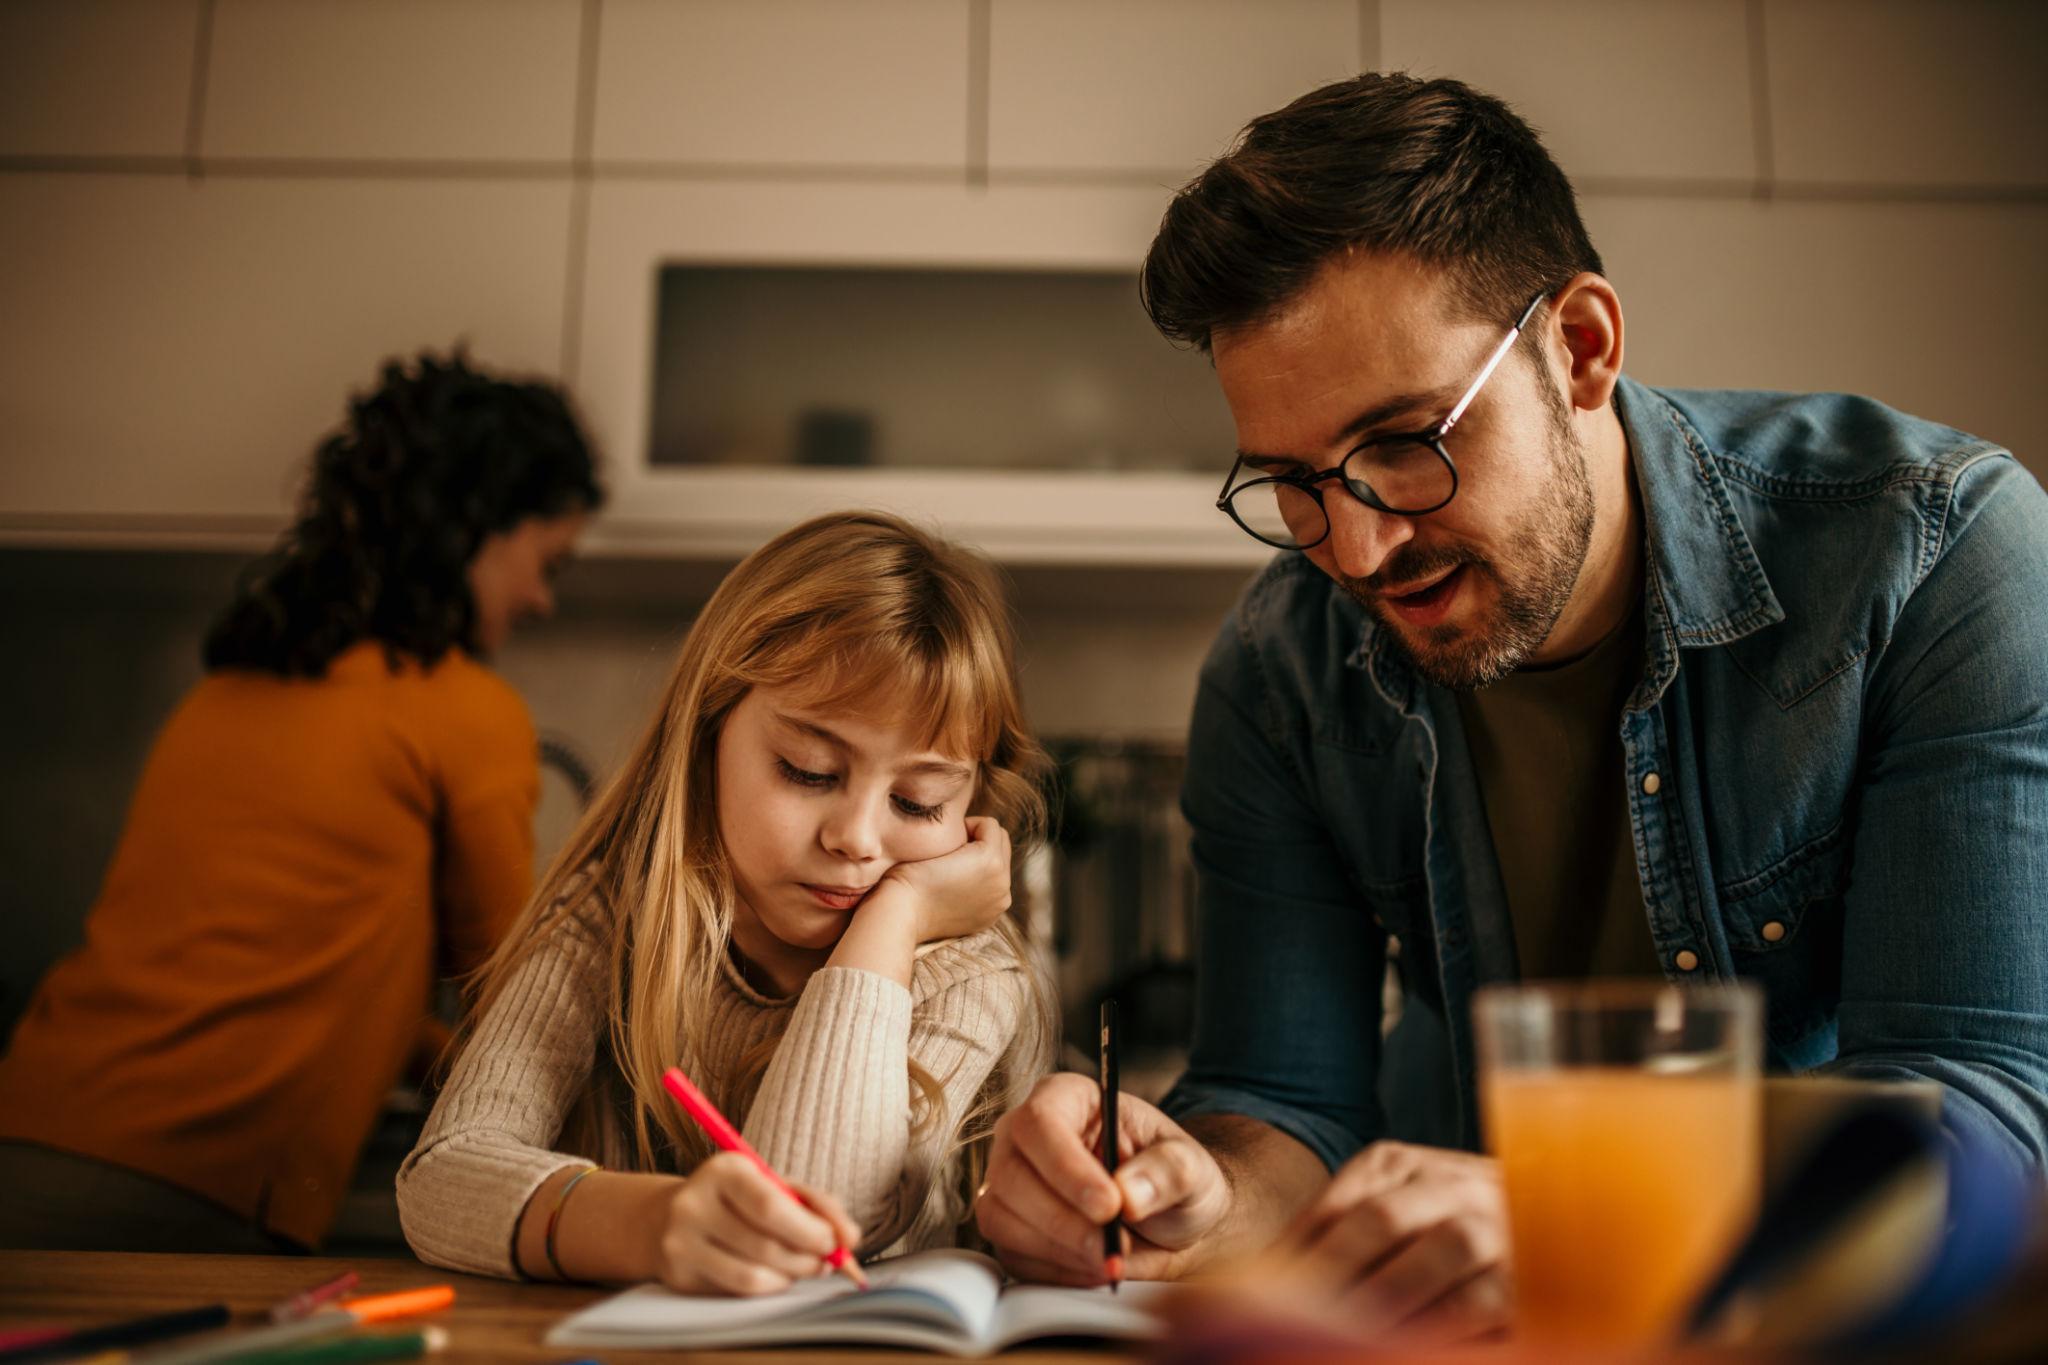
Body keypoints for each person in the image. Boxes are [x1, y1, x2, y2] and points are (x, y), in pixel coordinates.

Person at [976, 72, 2048, 1341]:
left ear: (1580, 348)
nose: (1358, 554)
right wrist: (1186, 1198)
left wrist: (1582, 1211)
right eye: (1294, 483)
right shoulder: (1276, 673)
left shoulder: (1936, 552)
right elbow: (1282, 1100)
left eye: (1403, 444)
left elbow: (1984, 1106)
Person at [0, 350, 603, 1253]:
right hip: (183, 1181)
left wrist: (412, 1043)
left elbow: (283, 955)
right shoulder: (464, 709)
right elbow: (508, 989)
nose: (543, 598)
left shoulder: (232, 689)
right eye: (545, 559)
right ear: (479, 524)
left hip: (35, 1127)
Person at [395, 511, 1058, 1293]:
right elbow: (443, 1177)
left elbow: (816, 1218)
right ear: (706, 732)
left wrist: (897, 914)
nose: (856, 837)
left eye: (916, 802)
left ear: (973, 801)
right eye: (809, 770)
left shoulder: (969, 974)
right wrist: (652, 1223)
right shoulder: (614, 917)